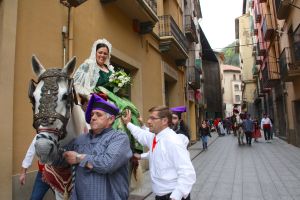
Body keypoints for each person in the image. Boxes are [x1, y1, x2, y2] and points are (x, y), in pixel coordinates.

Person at [54, 94, 132, 200]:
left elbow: (107, 164)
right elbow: (61, 159)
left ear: (111, 119)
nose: (93, 117)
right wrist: (48, 147)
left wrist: (78, 158)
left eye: (98, 115)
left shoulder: (119, 138)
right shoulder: (80, 139)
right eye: (92, 114)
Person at [121, 106, 196, 200]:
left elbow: (187, 173)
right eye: (149, 118)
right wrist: (128, 123)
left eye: (152, 118)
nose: (148, 121)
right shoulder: (155, 137)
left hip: (172, 195)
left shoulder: (173, 141)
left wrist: (175, 196)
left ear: (164, 121)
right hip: (160, 195)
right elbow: (140, 134)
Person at [19, 135, 51, 200]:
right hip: (43, 174)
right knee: (35, 198)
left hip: (59, 175)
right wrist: (23, 173)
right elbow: (30, 152)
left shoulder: (62, 132)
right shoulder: (41, 133)